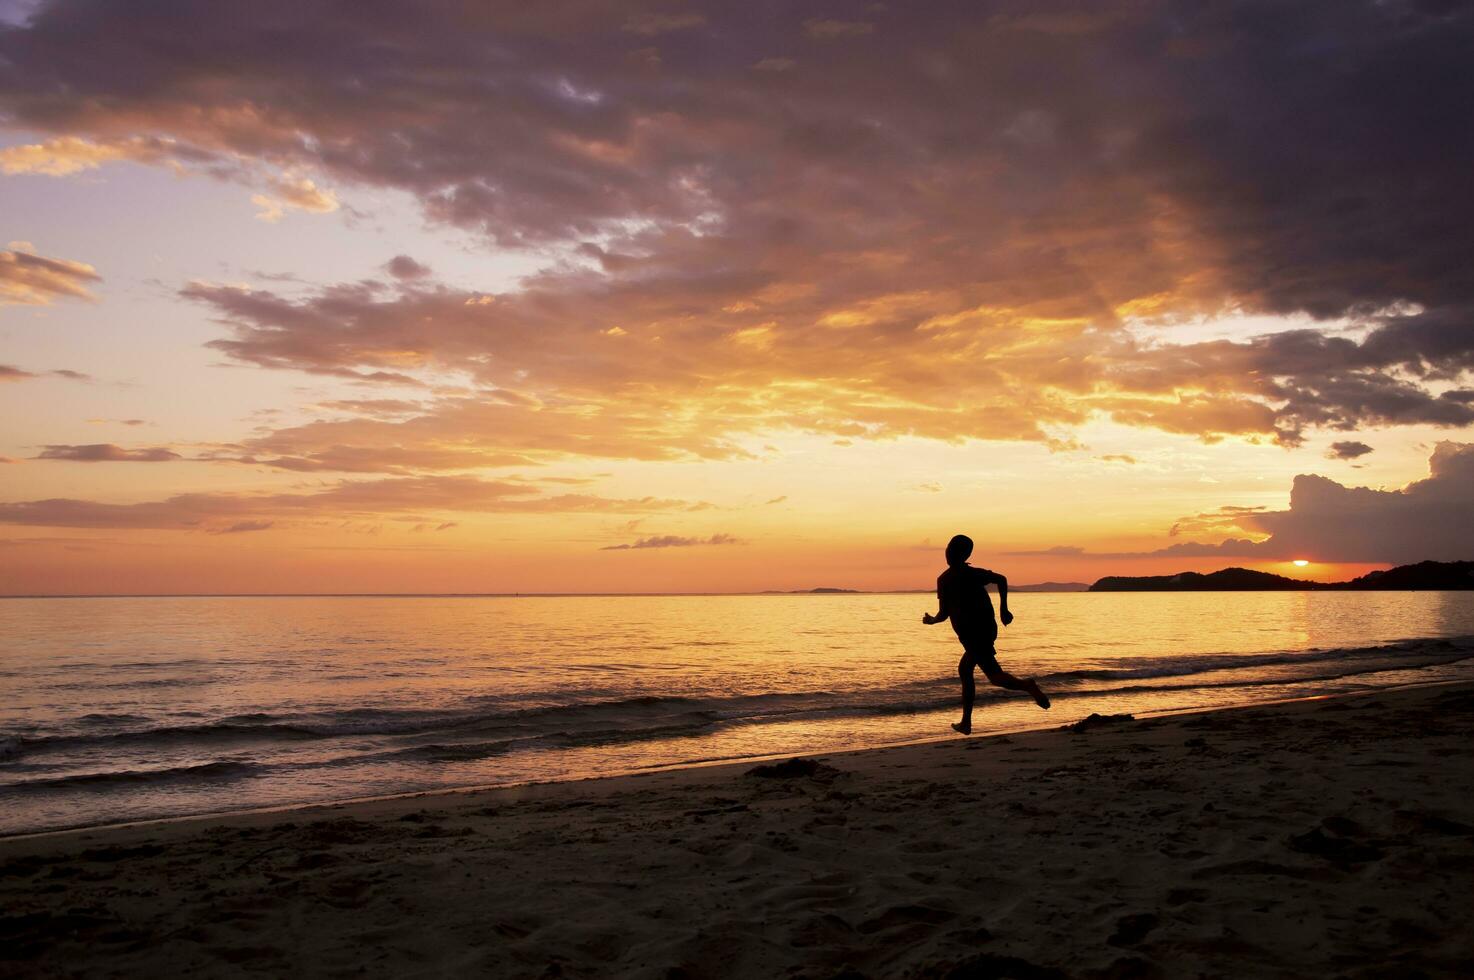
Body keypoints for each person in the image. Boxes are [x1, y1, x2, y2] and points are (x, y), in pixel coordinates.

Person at [922, 533, 1049, 734]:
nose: (948, 553)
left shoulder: (971, 574)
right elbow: (944, 613)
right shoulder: (944, 579)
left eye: (953, 550)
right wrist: (932, 620)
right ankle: (967, 722)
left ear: (962, 554)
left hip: (980, 631)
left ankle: (1028, 686)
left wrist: (1003, 609)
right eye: (948, 549)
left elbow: (1001, 580)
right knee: (975, 672)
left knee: (988, 675)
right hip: (969, 634)